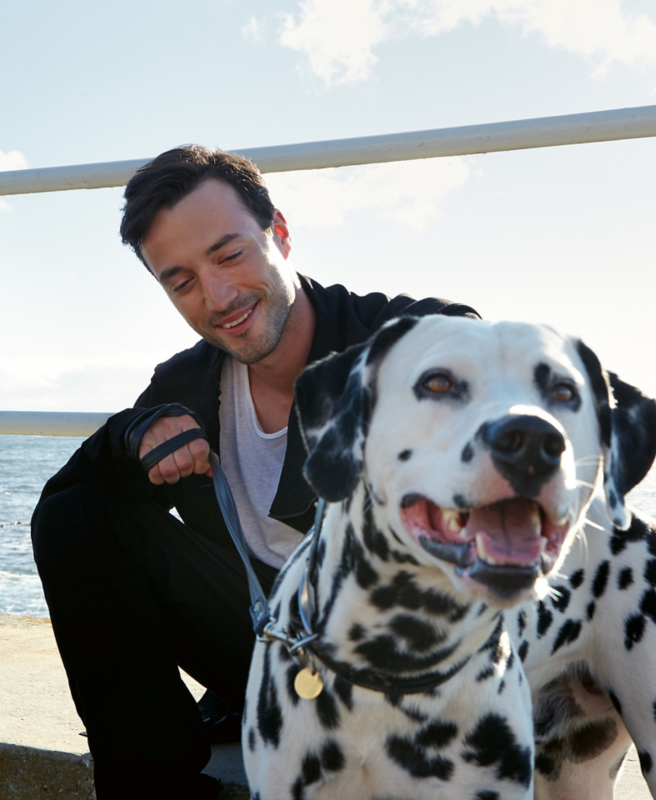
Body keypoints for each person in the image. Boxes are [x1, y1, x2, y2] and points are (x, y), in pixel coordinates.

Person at [31, 145, 479, 800]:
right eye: (181, 281)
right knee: (75, 517)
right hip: (267, 643)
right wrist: (133, 435)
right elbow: (77, 504)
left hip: (413, 655)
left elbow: (474, 350)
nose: (217, 297)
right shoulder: (185, 385)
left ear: (281, 234)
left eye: (229, 254)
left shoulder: (398, 334)